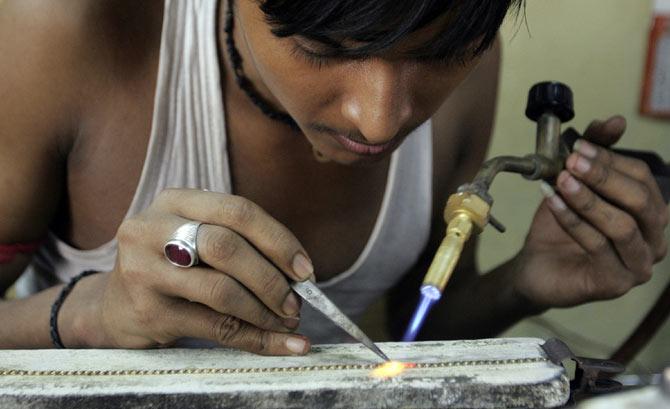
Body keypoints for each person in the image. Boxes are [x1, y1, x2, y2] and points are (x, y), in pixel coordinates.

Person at [0, 0, 667, 355]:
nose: (380, 122)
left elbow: (416, 328)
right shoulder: (71, 33)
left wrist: (521, 284)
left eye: (437, 53)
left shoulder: (474, 67)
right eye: (324, 49)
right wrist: (91, 313)